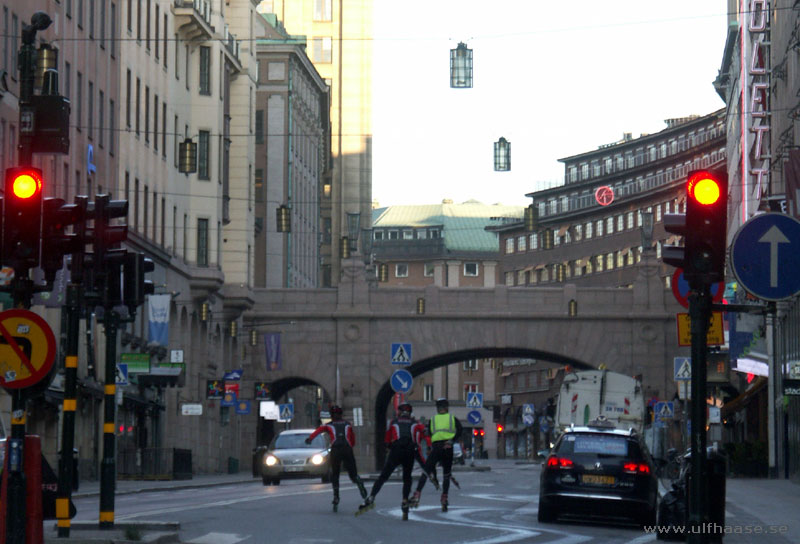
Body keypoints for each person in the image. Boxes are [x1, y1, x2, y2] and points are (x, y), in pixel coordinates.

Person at [356, 402, 428, 520]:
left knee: (383, 476)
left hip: (396, 451)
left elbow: (387, 438)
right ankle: (405, 500)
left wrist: (388, 447)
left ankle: (371, 497)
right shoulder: (415, 423)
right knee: (407, 478)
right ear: (410, 413)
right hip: (409, 452)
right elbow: (423, 433)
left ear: (399, 412)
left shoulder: (393, 422)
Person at [306, 405, 368, 512]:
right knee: (353, 473)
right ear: (341, 414)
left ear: (331, 415)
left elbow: (318, 431)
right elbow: (352, 439)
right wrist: (350, 447)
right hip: (347, 450)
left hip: (336, 450)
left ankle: (336, 497)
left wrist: (310, 438)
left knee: (335, 474)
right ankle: (359, 483)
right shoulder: (348, 424)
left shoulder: (329, 425)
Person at [409, 398, 463, 512]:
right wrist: (452, 440)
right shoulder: (452, 418)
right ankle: (444, 498)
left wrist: (430, 446)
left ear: (437, 408)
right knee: (446, 475)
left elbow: (430, 433)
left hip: (436, 448)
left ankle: (417, 493)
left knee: (426, 471)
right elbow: (460, 430)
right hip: (448, 447)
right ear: (447, 408)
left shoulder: (432, 420)